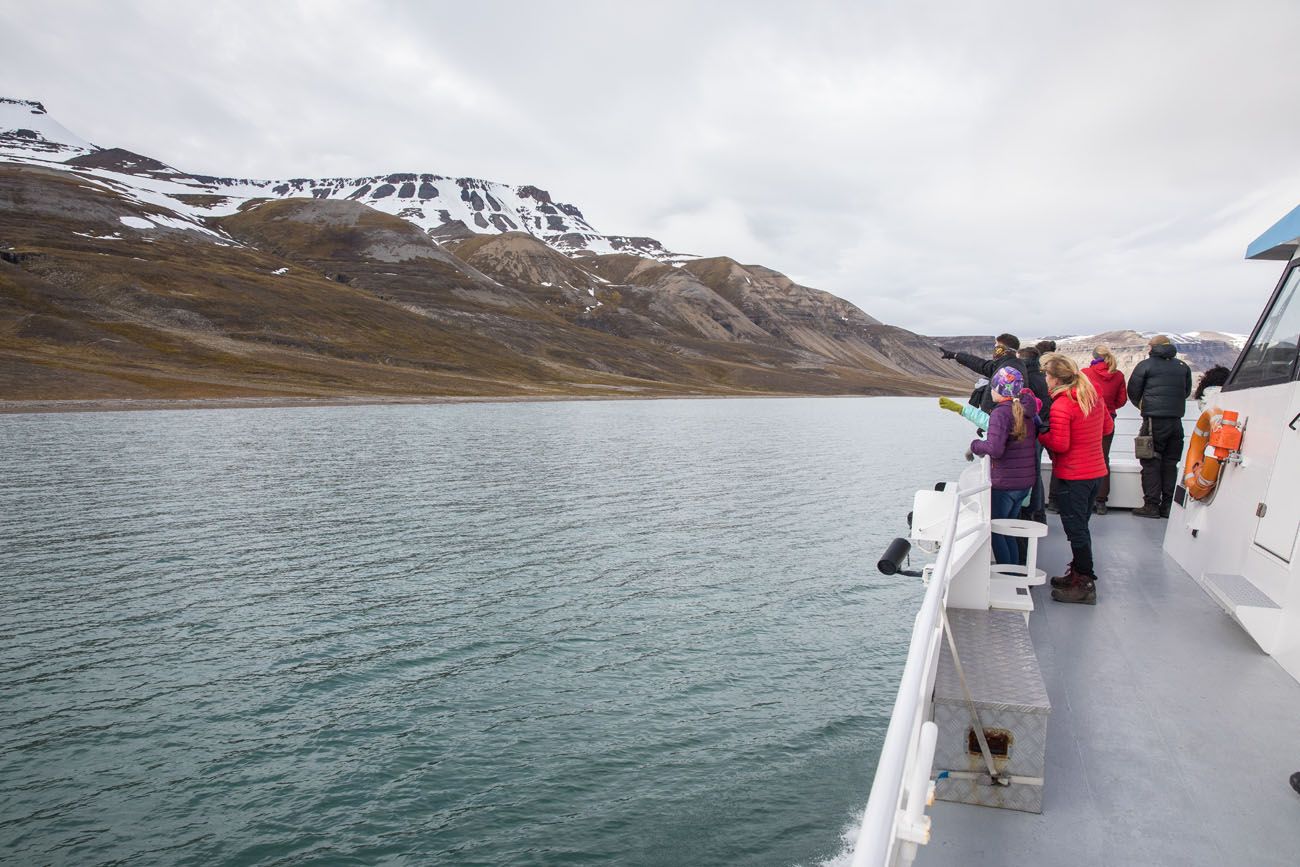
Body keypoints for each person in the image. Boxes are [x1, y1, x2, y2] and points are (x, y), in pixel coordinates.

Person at [1038, 353, 1108, 605]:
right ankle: (1077, 574)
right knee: (1081, 526)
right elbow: (1107, 428)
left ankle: (1085, 584)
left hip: (1073, 475)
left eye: (1047, 375)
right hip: (1095, 473)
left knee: (1076, 530)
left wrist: (1040, 435)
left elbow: (1060, 443)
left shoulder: (1062, 405)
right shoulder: (1092, 397)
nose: (1045, 379)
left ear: (1056, 379)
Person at [969, 368, 1040, 565]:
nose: (991, 391)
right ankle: (1014, 569)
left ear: (999, 389)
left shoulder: (1001, 413)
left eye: (993, 387)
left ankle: (1007, 572)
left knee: (997, 530)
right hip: (1023, 483)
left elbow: (995, 449)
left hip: (1005, 483)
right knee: (1009, 529)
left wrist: (975, 445)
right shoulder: (1026, 410)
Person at [1127, 335, 1193, 518]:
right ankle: (1168, 506)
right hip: (1176, 422)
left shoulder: (1145, 366)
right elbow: (1186, 391)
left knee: (1150, 462)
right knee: (1170, 463)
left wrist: (1144, 406)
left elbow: (1133, 391)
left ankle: (1151, 505)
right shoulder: (1183, 367)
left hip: (1152, 422)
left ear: (1152, 347)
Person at [1081, 345, 1126, 515]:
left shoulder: (1085, 373)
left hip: (1089, 419)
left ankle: (1086, 498)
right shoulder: (1118, 375)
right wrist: (1110, 407)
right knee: (1103, 458)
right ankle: (1101, 501)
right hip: (1109, 419)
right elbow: (1122, 399)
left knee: (1085, 457)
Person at [939, 334, 1027, 414]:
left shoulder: (1008, 369)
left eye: (996, 346)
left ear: (1001, 349)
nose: (994, 349)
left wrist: (992, 420)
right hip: (995, 418)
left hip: (1000, 419)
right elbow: (980, 364)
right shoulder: (1005, 364)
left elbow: (1008, 398)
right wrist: (956, 355)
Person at [1018, 346, 1053, 521]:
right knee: (1035, 472)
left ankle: (1030, 513)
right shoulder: (1043, 378)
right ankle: (1038, 514)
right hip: (1042, 429)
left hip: (1028, 433)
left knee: (1029, 473)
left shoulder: (1024, 380)